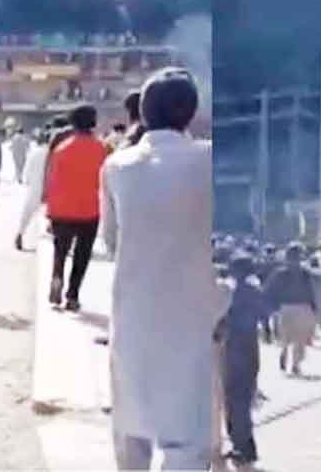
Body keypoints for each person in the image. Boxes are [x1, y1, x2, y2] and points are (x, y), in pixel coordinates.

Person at [102, 68, 227, 470]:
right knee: (186, 440)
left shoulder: (116, 166)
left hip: (133, 311)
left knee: (131, 432)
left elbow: (111, 240)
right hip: (192, 315)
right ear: (190, 113)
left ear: (142, 112)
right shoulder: (209, 160)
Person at [46, 105, 109, 312]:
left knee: (60, 250)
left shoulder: (61, 149)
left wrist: (50, 211)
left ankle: (57, 277)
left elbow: (53, 182)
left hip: (62, 209)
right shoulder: (102, 149)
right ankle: (72, 295)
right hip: (89, 209)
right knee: (82, 254)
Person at [221, 251, 265, 468]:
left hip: (233, 349)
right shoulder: (255, 291)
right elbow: (265, 314)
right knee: (243, 400)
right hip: (250, 348)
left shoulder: (230, 292)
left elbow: (221, 320)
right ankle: (244, 446)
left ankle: (242, 447)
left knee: (234, 401)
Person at [264, 242, 317, 376]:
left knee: (288, 336)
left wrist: (272, 306)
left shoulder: (281, 273)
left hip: (288, 307)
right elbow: (311, 291)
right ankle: (294, 363)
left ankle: (286, 353)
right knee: (298, 339)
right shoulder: (303, 273)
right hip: (299, 307)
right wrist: (313, 307)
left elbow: (269, 290)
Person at [15, 130, 50, 251]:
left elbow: (27, 172)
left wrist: (28, 182)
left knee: (27, 212)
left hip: (35, 188)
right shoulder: (55, 152)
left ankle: (20, 233)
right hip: (51, 188)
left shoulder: (34, 152)